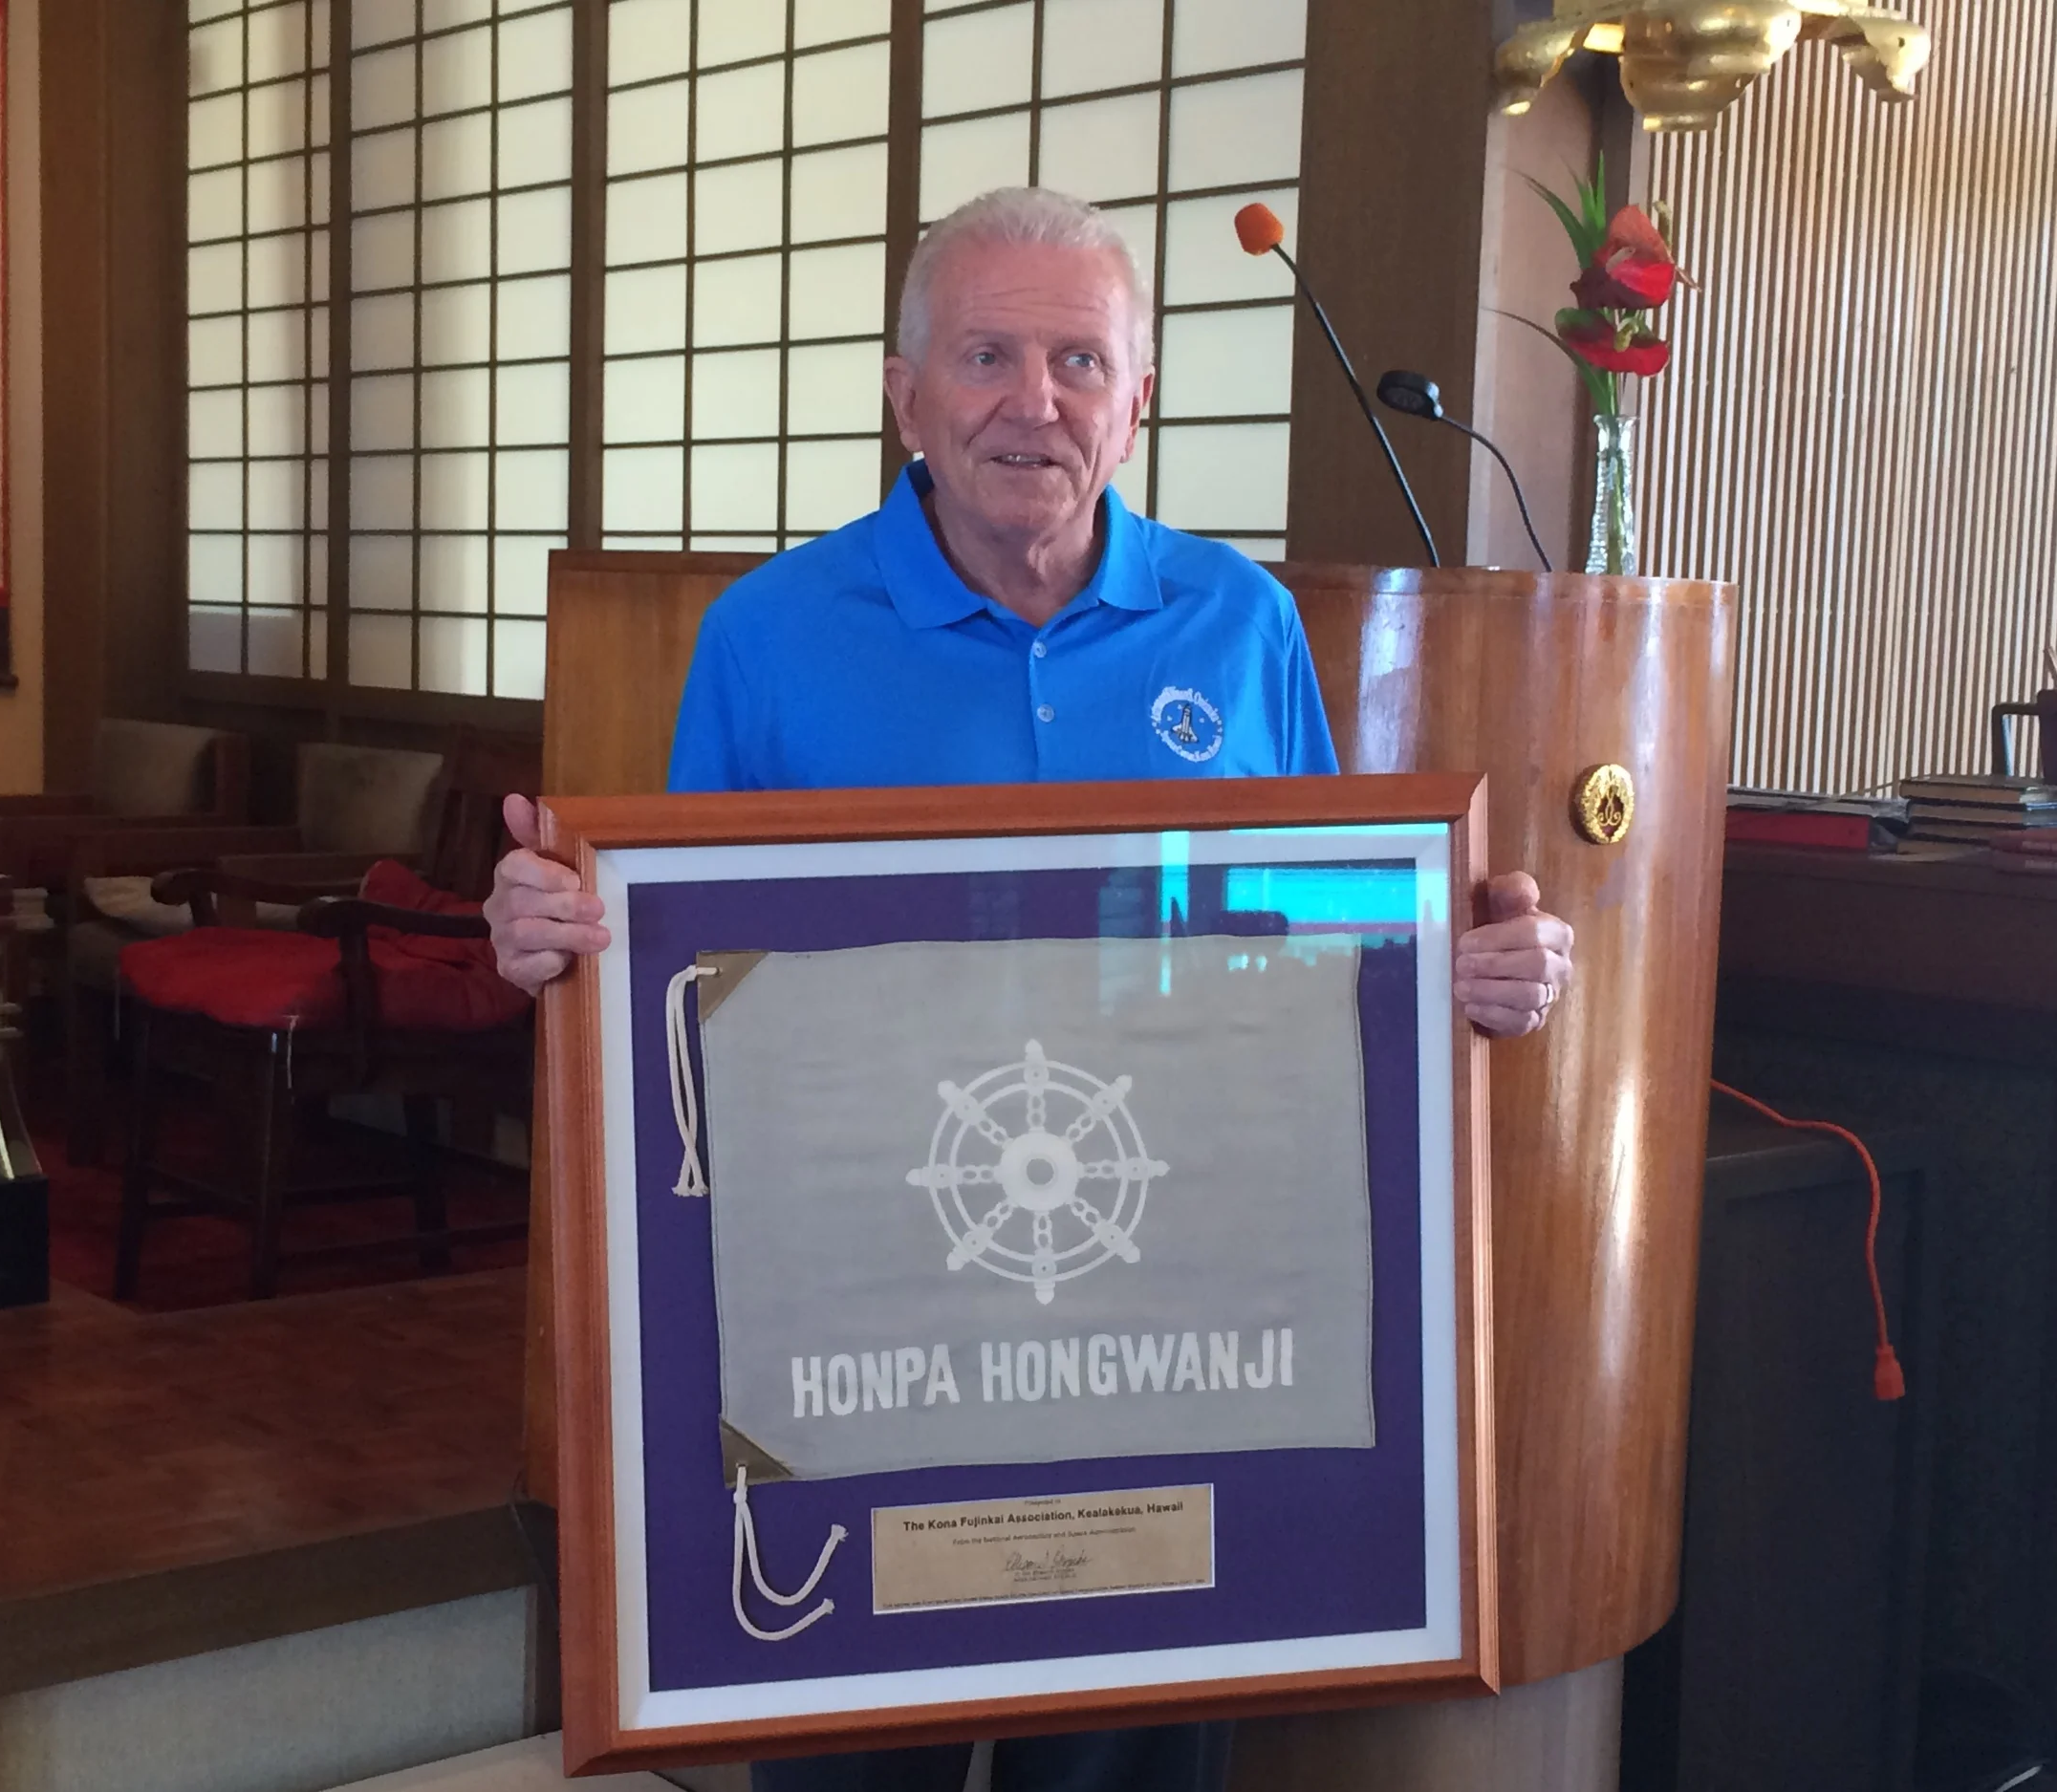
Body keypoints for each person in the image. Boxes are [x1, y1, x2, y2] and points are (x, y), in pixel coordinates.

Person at [487, 186, 1574, 1792]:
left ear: (1139, 402)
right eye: (986, 355)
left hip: (1167, 1312)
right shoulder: (768, 637)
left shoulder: (1242, 626)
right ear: (905, 394)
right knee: (854, 1758)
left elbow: (1316, 945)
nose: (1034, 401)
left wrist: (1461, 964)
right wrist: (553, 942)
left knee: (1133, 1755)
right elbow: (675, 976)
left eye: (1080, 361)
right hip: (864, 1319)